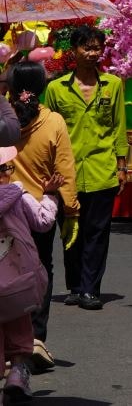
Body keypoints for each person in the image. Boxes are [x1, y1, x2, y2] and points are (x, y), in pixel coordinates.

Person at [42, 27, 125, 312]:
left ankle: (91, 289)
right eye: (86, 48)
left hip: (102, 170)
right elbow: (47, 130)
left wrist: (122, 164)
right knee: (70, 230)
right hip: (66, 173)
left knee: (97, 233)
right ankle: (75, 285)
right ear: (74, 51)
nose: (92, 54)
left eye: (97, 48)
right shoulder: (55, 89)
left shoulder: (113, 85)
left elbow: (118, 127)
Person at [5, 62, 76, 372]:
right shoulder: (54, 121)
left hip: (5, 213)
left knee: (4, 278)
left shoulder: (4, 121)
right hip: (39, 213)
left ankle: (7, 346)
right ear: (44, 87)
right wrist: (71, 209)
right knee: (37, 277)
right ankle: (35, 339)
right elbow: (65, 170)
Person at [0, 146, 64, 402]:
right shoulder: (18, 194)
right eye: (7, 168)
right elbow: (43, 221)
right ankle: (16, 374)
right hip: (18, 282)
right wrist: (50, 195)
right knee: (18, 323)